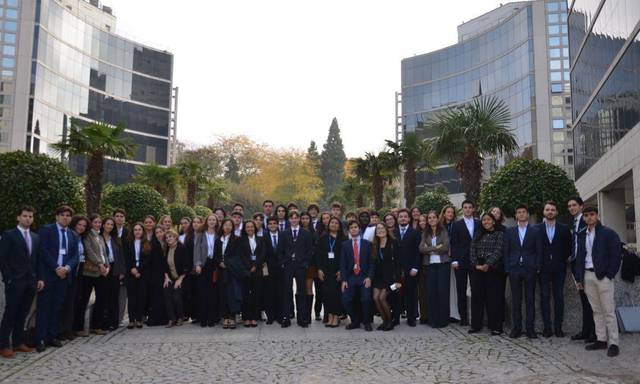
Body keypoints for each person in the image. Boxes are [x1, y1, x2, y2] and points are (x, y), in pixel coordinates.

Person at [575, 206, 622, 357]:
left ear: (597, 215)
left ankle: (614, 342)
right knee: (596, 310)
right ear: (583, 218)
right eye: (586, 215)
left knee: (608, 310)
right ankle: (601, 339)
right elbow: (579, 257)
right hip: (587, 276)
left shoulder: (608, 233)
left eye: (592, 215)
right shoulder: (581, 234)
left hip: (603, 277)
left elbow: (616, 256)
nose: (589, 217)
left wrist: (609, 275)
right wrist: (579, 278)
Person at [35, 205, 79, 352]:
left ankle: (51, 336)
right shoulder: (46, 230)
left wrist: (66, 268)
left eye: (68, 215)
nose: (65, 217)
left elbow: (75, 256)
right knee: (44, 307)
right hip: (48, 275)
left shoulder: (73, 235)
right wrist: (56, 267)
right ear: (56, 216)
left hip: (64, 277)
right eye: (62, 215)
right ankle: (40, 338)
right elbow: (42, 251)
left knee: (57, 307)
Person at [0, 206, 40, 358]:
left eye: (30, 216)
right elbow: (2, 258)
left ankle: (17, 342)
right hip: (14, 281)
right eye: (25, 216)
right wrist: (8, 278)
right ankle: (3, 344)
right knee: (10, 313)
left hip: (30, 282)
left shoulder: (36, 237)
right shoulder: (9, 235)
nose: (28, 218)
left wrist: (37, 278)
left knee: (23, 313)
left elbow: (35, 260)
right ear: (18, 217)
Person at [503, 204, 542, 339]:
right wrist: (508, 268)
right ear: (516, 216)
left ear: (527, 214)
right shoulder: (509, 231)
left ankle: (530, 328)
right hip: (514, 269)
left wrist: (536, 267)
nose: (521, 214)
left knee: (530, 300)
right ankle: (517, 328)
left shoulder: (535, 231)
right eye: (518, 212)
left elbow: (539, 251)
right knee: (516, 300)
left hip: (530, 269)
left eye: (523, 212)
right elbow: (506, 251)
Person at [535, 201, 571, 338]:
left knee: (559, 298)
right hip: (543, 269)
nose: (550, 212)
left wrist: (561, 258)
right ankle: (547, 328)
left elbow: (568, 247)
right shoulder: (537, 228)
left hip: (559, 268)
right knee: (544, 297)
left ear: (556, 212)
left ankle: (558, 327)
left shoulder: (564, 228)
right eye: (547, 209)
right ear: (543, 212)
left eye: (552, 210)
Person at [468, 212, 505, 335]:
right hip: (477, 269)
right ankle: (476, 325)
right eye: (484, 220)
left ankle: (495, 326)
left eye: (488, 220)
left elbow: (498, 251)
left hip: (493, 269)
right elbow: (472, 249)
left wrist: (487, 264)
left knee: (493, 298)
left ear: (494, 221)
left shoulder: (500, 234)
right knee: (477, 297)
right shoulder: (478, 234)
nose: (486, 222)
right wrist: (475, 264)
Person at [277, 211, 313, 328]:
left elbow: (310, 250)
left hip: (301, 266)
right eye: (291, 218)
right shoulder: (283, 233)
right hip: (287, 266)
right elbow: (279, 251)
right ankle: (286, 318)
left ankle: (301, 318)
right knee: (287, 292)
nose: (293, 220)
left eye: (296, 218)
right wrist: (283, 263)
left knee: (301, 292)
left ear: (299, 220)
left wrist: (305, 263)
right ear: (289, 220)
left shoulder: (306, 233)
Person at [567, 197, 596, 343]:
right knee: (584, 300)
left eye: (574, 205)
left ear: (581, 206)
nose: (572, 208)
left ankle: (594, 333)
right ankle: (586, 331)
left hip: (586, 266)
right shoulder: (574, 222)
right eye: (569, 206)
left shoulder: (586, 220)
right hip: (576, 265)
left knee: (591, 301)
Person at [74, 214, 108, 336]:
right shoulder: (87, 235)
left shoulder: (100, 236)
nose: (98, 224)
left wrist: (107, 266)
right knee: (84, 299)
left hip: (102, 272)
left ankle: (96, 326)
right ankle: (78, 327)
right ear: (91, 223)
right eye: (95, 222)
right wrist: (100, 264)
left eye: (99, 222)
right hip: (89, 272)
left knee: (101, 299)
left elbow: (104, 253)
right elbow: (89, 251)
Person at [341, 221, 375, 332]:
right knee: (346, 299)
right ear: (349, 230)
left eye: (356, 227)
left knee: (366, 299)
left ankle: (366, 322)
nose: (354, 229)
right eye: (351, 228)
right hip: (351, 277)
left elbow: (371, 263)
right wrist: (344, 280)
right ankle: (355, 321)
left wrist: (369, 277)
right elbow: (343, 264)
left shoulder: (367, 244)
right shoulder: (345, 245)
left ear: (359, 229)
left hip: (364, 276)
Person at [59, 214, 89, 341]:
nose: (81, 228)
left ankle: (69, 329)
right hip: (67, 271)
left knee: (73, 301)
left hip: (79, 272)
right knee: (64, 302)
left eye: (84, 226)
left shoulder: (81, 238)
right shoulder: (69, 236)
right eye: (79, 225)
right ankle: (61, 330)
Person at [450, 200, 479, 326]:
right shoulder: (456, 225)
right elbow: (454, 243)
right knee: (461, 290)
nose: (467, 209)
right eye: (465, 207)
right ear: (462, 210)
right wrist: (455, 260)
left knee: (476, 289)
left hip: (476, 261)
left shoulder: (479, 223)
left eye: (470, 207)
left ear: (473, 209)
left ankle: (476, 318)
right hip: (460, 261)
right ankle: (464, 318)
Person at [419, 211, 450, 329]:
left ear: (438, 219)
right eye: (429, 218)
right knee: (431, 293)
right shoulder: (425, 233)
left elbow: (446, 247)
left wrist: (429, 249)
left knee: (442, 292)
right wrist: (436, 247)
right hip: (430, 266)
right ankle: (433, 319)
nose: (432, 219)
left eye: (434, 217)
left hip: (442, 265)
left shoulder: (443, 231)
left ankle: (443, 320)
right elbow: (421, 249)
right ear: (427, 221)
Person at [316, 217, 346, 328]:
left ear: (339, 226)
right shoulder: (323, 238)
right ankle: (329, 316)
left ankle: (336, 317)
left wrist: (341, 270)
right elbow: (318, 255)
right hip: (325, 271)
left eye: (336, 223)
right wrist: (319, 269)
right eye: (331, 223)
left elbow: (346, 257)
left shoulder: (343, 239)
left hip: (338, 271)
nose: (333, 224)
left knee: (336, 294)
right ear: (328, 225)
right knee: (327, 294)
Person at [372, 223, 402, 331]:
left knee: (382, 298)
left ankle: (390, 322)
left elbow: (399, 263)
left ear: (386, 229)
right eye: (378, 229)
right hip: (378, 277)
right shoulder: (375, 245)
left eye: (382, 228)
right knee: (375, 298)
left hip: (390, 278)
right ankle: (384, 321)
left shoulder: (393, 243)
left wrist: (398, 280)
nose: (380, 230)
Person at [394, 209, 420, 327]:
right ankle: (396, 318)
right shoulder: (393, 233)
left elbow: (417, 252)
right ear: (398, 219)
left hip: (411, 269)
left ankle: (411, 318)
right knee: (396, 293)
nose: (403, 218)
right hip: (397, 270)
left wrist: (415, 267)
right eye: (401, 217)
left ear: (409, 219)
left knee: (411, 293)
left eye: (405, 216)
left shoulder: (414, 233)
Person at [194, 214, 220, 327]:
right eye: (210, 219)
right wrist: (197, 264)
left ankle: (212, 318)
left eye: (214, 220)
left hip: (215, 265)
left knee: (213, 293)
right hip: (203, 265)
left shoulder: (219, 234)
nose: (212, 221)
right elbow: (196, 250)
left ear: (216, 222)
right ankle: (203, 318)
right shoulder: (200, 233)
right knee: (203, 292)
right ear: (206, 221)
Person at [238, 220, 265, 327]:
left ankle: (254, 317)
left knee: (256, 294)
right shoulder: (241, 240)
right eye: (247, 227)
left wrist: (255, 265)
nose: (250, 229)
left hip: (257, 270)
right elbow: (241, 255)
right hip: (246, 271)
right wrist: (249, 266)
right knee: (246, 294)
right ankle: (246, 317)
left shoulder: (261, 239)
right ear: (244, 229)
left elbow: (263, 254)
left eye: (252, 227)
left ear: (255, 228)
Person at [216, 218, 242, 329]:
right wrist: (220, 263)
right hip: (221, 270)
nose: (227, 227)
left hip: (232, 270)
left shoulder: (236, 239)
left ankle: (232, 317)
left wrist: (226, 263)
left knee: (232, 293)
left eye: (230, 225)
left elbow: (238, 256)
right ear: (222, 226)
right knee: (223, 293)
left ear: (233, 227)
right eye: (225, 225)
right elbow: (215, 255)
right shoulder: (218, 240)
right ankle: (225, 316)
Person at [124, 223, 151, 329]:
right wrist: (132, 269)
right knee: (131, 297)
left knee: (141, 297)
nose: (137, 231)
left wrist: (139, 270)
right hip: (131, 273)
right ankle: (131, 320)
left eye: (139, 229)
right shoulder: (128, 243)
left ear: (143, 231)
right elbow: (126, 258)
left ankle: (139, 319)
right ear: (132, 231)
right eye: (135, 230)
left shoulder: (147, 243)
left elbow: (148, 259)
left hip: (143, 273)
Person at [163, 230, 191, 327]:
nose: (168, 239)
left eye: (170, 236)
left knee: (176, 295)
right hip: (170, 277)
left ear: (175, 237)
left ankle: (180, 317)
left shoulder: (182, 248)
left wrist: (180, 279)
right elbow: (165, 266)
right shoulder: (167, 249)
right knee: (166, 293)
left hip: (182, 277)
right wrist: (166, 278)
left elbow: (186, 266)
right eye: (166, 238)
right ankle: (171, 318)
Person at [102, 217, 125, 331]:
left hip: (115, 270)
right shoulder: (99, 238)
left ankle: (114, 321)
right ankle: (105, 321)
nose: (110, 226)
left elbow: (121, 256)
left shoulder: (116, 239)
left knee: (114, 296)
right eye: (108, 224)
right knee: (104, 295)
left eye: (112, 225)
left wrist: (121, 271)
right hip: (104, 270)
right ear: (103, 225)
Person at [147, 225, 168, 326]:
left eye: (161, 232)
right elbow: (155, 262)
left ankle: (164, 318)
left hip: (166, 274)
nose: (159, 234)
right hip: (156, 275)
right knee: (156, 297)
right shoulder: (153, 245)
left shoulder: (167, 243)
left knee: (164, 297)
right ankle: (155, 319)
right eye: (157, 233)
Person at [263, 216, 282, 324]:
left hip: (281, 267)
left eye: (274, 223)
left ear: (278, 224)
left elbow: (286, 250)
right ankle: (270, 316)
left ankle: (279, 315)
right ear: (267, 225)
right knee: (269, 292)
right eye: (270, 224)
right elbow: (263, 253)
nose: (272, 225)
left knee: (280, 292)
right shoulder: (264, 237)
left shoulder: (283, 235)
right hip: (268, 268)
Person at [417, 212, 429, 324]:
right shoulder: (418, 233)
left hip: (431, 264)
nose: (422, 223)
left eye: (423, 220)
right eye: (420, 221)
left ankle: (431, 314)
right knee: (422, 292)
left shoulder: (432, 233)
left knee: (431, 291)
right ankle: (424, 315)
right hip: (420, 265)